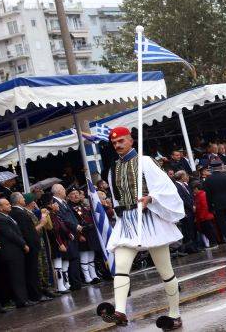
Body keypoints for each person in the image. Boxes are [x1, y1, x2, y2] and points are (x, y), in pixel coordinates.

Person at [96, 126, 185, 330]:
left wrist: (151, 198)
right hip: (127, 221)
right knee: (121, 266)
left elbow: (165, 186)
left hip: (149, 220)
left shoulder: (145, 161)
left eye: (121, 141)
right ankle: (120, 311)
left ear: (131, 141)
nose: (117, 145)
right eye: (114, 143)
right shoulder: (113, 168)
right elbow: (117, 195)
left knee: (165, 270)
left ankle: (175, 314)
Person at [0, 198, 35, 309]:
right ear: (0, 207)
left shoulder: (7, 217)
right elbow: (11, 234)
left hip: (16, 251)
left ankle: (24, 298)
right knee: (16, 277)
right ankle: (21, 300)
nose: (9, 205)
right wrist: (23, 244)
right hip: (11, 252)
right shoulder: (0, 219)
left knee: (20, 275)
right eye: (7, 204)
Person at [9, 192, 49, 302]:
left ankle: (38, 293)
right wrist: (41, 223)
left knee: (34, 270)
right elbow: (27, 231)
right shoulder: (18, 212)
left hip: (32, 245)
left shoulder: (21, 211)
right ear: (17, 200)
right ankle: (36, 295)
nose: (24, 200)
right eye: (22, 198)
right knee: (32, 271)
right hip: (29, 246)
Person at [51, 184, 82, 291]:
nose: (65, 191)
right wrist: (74, 227)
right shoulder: (54, 203)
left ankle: (77, 282)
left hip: (72, 233)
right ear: (59, 191)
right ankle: (75, 284)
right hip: (66, 235)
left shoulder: (63, 202)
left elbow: (71, 217)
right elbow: (61, 219)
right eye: (63, 189)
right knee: (72, 258)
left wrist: (77, 225)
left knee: (75, 258)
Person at [172, 171, 198, 254]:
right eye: (185, 175)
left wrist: (193, 205)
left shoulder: (185, 185)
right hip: (186, 211)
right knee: (188, 230)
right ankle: (190, 248)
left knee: (192, 229)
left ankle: (195, 246)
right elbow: (182, 199)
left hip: (190, 210)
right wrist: (191, 207)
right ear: (181, 177)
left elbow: (190, 197)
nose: (187, 177)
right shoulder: (176, 186)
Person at [191, 181, 217, 249]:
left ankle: (214, 243)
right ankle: (213, 243)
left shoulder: (202, 195)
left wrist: (201, 216)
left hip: (205, 217)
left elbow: (204, 206)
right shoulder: (200, 195)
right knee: (207, 230)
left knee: (209, 230)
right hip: (203, 217)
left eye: (193, 189)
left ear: (196, 188)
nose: (193, 191)